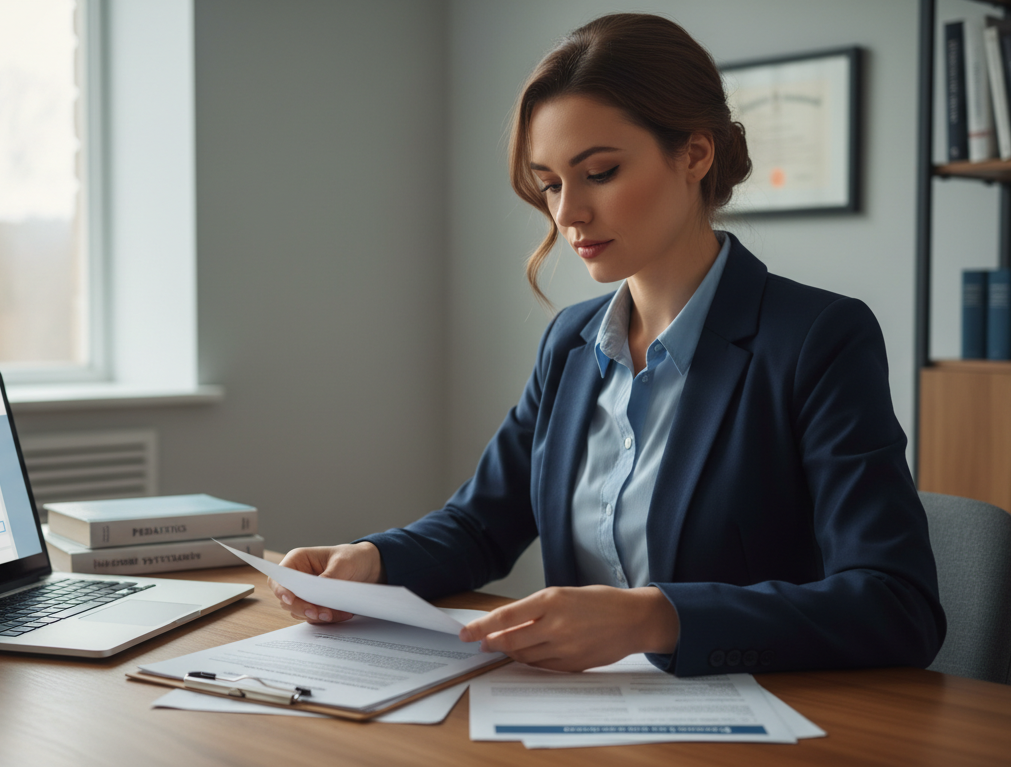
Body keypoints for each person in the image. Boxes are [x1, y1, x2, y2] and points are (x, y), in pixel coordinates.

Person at [269, 13, 946, 676]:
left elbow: (896, 604)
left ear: (695, 153)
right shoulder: (570, 343)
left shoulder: (817, 339)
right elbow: (482, 525)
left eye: (599, 172)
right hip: (579, 720)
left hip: (753, 727)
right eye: (551, 184)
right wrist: (370, 560)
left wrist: (653, 617)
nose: (568, 214)